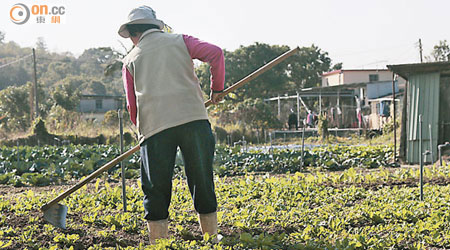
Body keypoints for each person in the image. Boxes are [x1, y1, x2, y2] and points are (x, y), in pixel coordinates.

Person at [118, 6, 225, 243]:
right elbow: (215, 53)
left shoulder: (130, 60)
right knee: (201, 178)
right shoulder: (181, 41)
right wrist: (217, 89)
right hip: (194, 120)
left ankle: (158, 242)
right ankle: (211, 238)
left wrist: (142, 131)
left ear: (134, 34)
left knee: (155, 186)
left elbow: (132, 107)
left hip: (155, 128)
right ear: (157, 26)